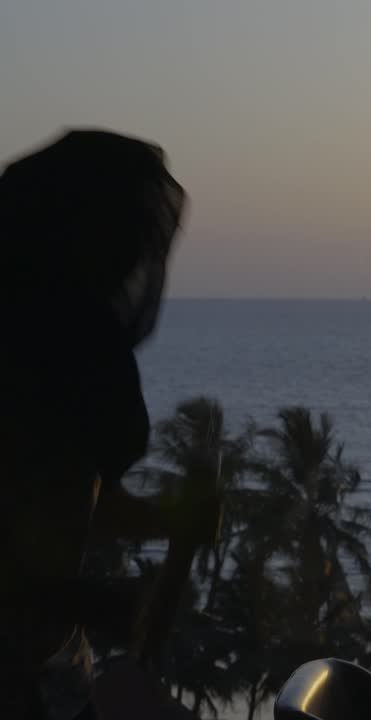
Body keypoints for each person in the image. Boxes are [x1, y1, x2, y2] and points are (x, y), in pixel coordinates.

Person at [0, 130, 215, 720]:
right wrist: (88, 601)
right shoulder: (31, 356)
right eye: (125, 234)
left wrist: (168, 518)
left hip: (51, 676)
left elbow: (68, 500)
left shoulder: (80, 353)